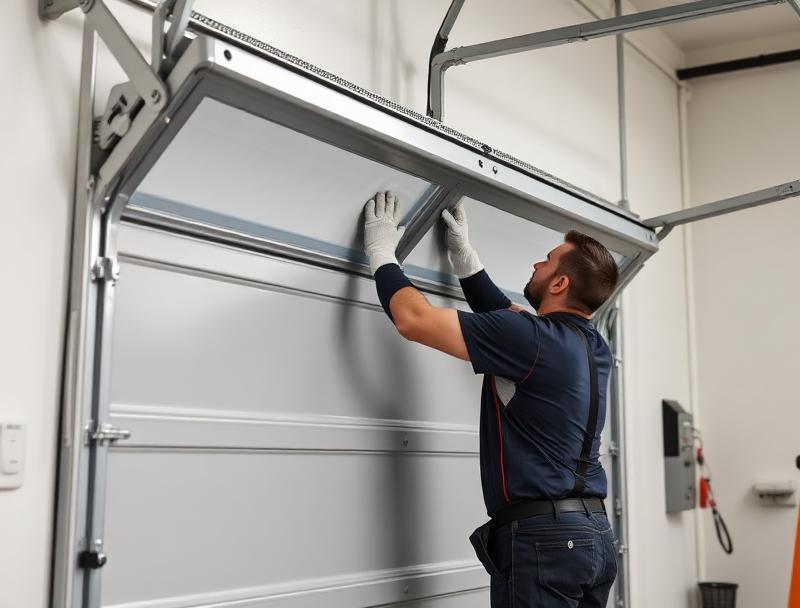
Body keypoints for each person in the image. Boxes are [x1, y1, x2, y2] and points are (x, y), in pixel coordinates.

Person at [362, 191, 619, 607]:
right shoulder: (593, 347)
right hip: (595, 537)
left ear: (560, 283)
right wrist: (467, 261)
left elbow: (414, 320)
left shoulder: (533, 340)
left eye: (547, 260)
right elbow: (506, 319)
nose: (537, 263)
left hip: (545, 542)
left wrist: (381, 254)